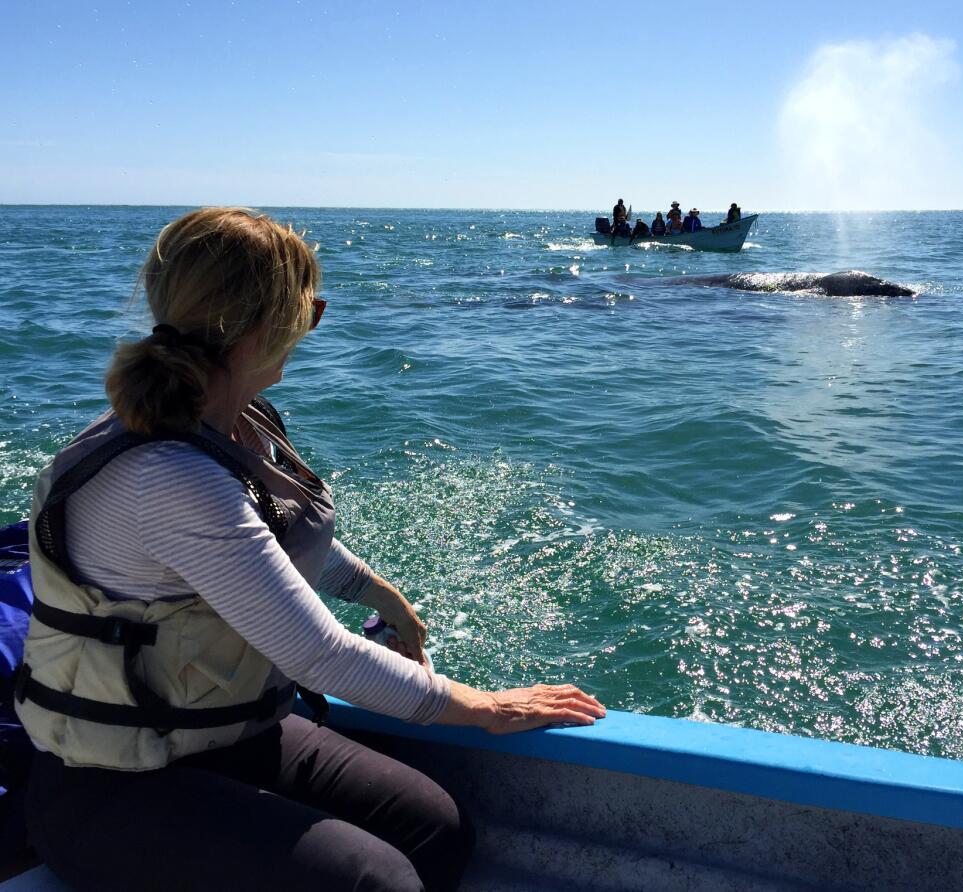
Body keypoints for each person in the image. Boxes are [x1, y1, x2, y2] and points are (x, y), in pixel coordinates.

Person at [16, 208, 606, 892]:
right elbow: (318, 654)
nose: (313, 326)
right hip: (112, 787)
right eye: (311, 311)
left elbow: (259, 551)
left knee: (436, 830)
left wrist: (380, 593)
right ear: (265, 330)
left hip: (228, 739)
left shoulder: (231, 425)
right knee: (374, 882)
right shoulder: (168, 474)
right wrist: (486, 708)